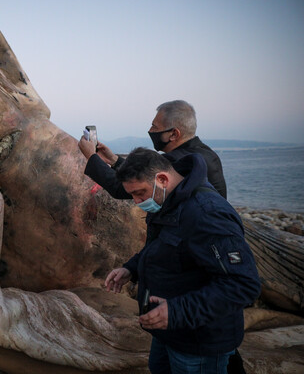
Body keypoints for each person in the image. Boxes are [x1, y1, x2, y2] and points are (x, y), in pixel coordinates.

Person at [104, 148, 260, 374]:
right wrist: (131, 269)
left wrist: (178, 311)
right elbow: (161, 249)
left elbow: (243, 284)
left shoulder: (206, 213)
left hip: (199, 344)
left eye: (140, 193)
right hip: (170, 332)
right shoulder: (167, 200)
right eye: (133, 196)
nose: (137, 202)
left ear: (163, 179)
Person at [78, 100, 227, 199]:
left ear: (174, 134)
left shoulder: (176, 162)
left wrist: (91, 156)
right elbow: (143, 174)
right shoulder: (207, 154)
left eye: (155, 127)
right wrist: (114, 160)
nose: (150, 131)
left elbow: (121, 188)